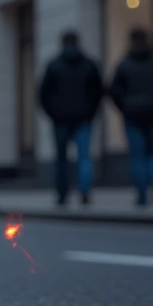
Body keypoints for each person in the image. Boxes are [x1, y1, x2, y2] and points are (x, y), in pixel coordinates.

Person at [110, 28, 153, 206]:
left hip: (133, 115)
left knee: (138, 155)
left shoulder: (124, 64)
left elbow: (114, 90)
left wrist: (124, 107)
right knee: (151, 153)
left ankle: (141, 196)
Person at [39, 30, 105, 206]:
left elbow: (43, 94)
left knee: (61, 159)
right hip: (83, 118)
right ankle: (84, 191)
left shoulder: (53, 65)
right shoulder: (89, 64)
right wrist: (91, 113)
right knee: (84, 157)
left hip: (60, 119)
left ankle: (62, 195)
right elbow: (98, 92)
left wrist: (53, 113)